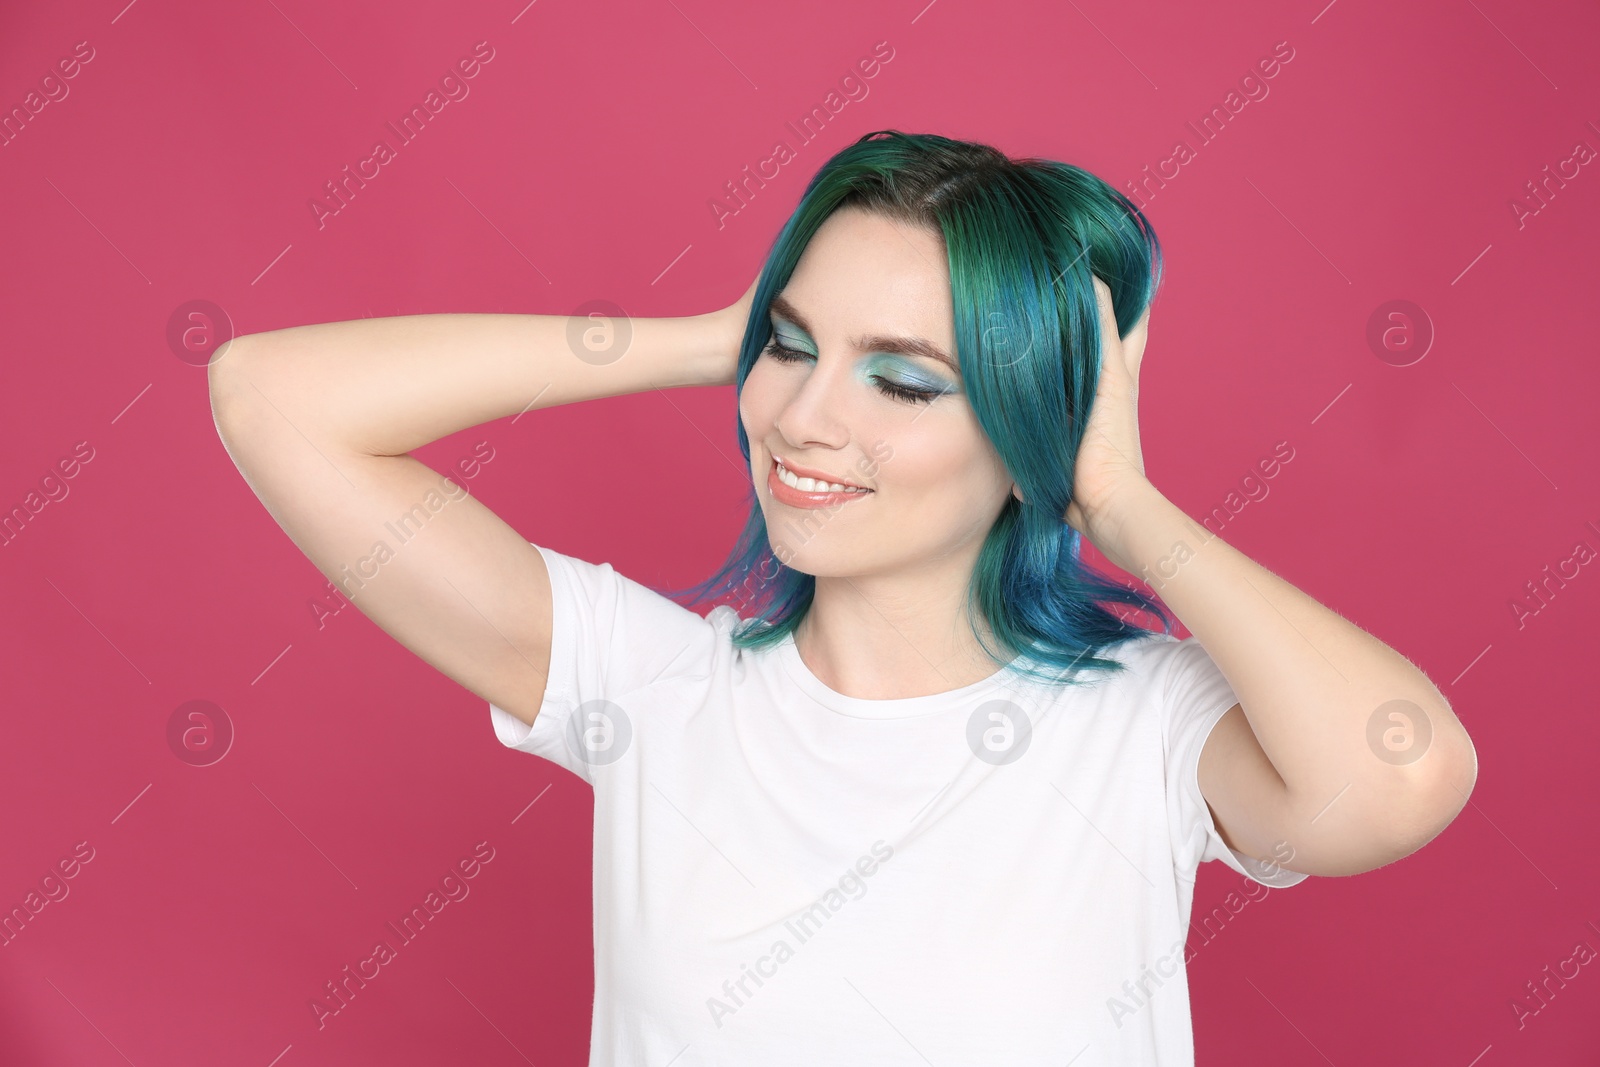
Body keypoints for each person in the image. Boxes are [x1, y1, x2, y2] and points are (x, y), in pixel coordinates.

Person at [209, 130, 1478, 1065]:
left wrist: (1121, 500)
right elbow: (269, 398)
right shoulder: (650, 686)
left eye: (905, 382)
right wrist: (720, 335)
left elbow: (1405, 773)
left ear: (1027, 425)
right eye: (795, 347)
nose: (804, 420)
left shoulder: (1147, 727)